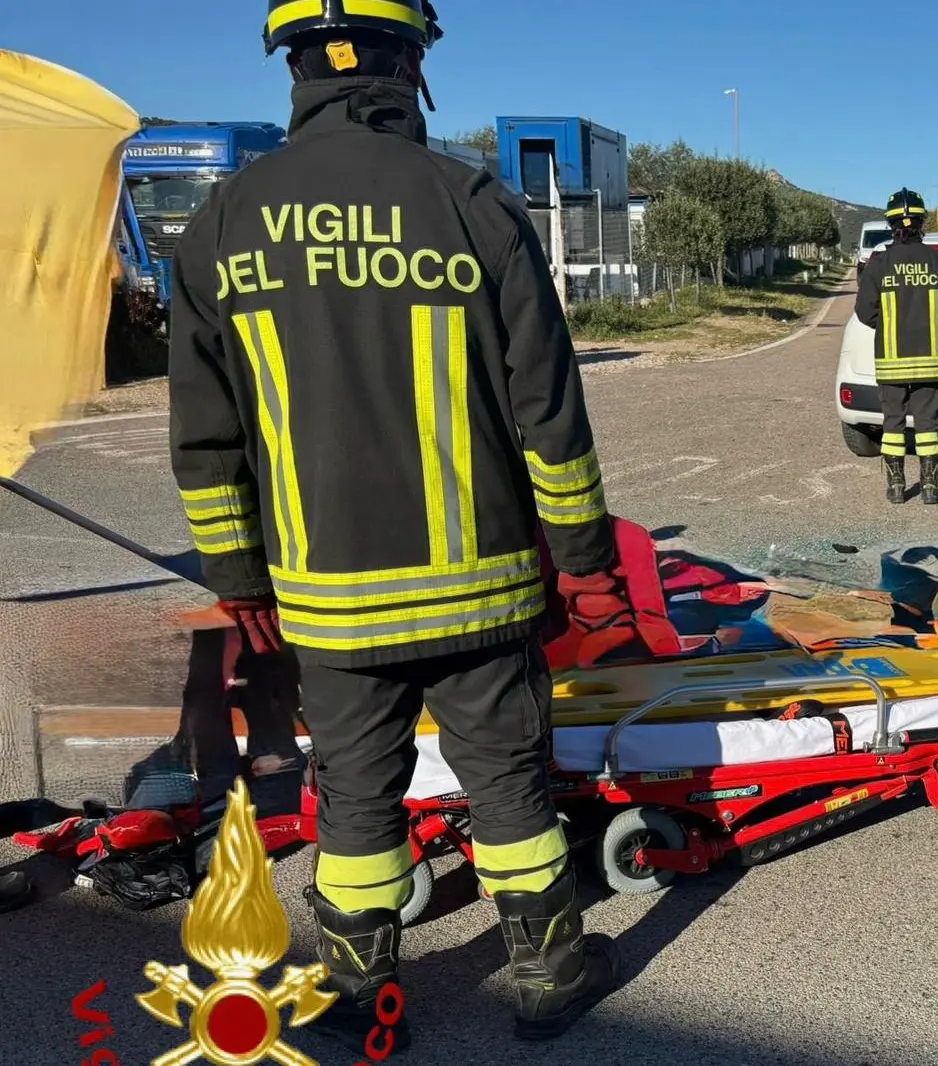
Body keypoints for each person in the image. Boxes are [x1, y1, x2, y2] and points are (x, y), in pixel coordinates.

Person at [167, 0, 637, 1046]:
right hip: (484, 591)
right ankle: (547, 968)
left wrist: (238, 576)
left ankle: (352, 994)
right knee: (508, 781)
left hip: (326, 600)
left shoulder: (225, 224)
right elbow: (549, 419)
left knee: (355, 798)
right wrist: (587, 563)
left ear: (294, 71)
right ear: (408, 65)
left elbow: (206, 441)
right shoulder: (472, 203)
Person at [853, 188, 938, 505]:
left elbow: (864, 311)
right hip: (931, 360)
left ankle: (897, 486)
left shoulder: (879, 263)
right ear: (922, 221)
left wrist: (887, 326)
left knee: (893, 424)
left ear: (891, 225)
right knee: (927, 425)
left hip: (891, 361)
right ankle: (930, 486)